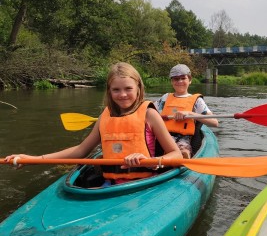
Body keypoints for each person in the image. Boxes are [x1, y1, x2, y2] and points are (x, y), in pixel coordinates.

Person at [5, 62, 182, 185]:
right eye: (116, 90)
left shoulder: (150, 115)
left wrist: (151, 161)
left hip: (145, 184)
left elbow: (177, 155)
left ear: (138, 88)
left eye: (128, 88)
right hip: (109, 184)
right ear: (109, 91)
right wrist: (34, 159)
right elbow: (81, 150)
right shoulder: (105, 116)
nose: (122, 94)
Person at [154, 64, 219, 159]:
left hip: (184, 138)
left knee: (183, 149)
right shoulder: (165, 98)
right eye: (176, 79)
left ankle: (183, 156)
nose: (179, 81)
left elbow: (214, 122)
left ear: (190, 80)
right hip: (165, 136)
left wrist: (190, 114)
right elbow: (149, 111)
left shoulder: (197, 101)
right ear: (172, 82)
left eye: (183, 78)